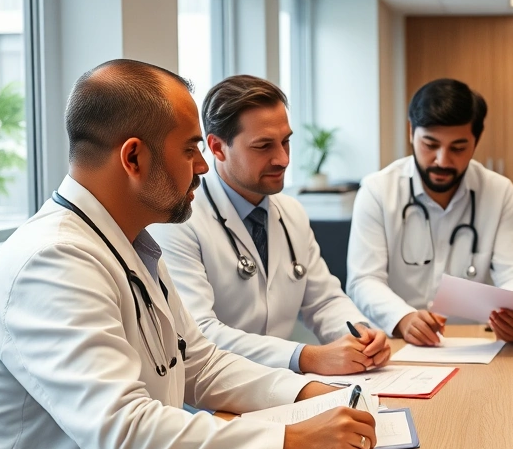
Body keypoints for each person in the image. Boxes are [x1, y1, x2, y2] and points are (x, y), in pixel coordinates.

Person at [0, 60, 377, 449]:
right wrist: (293, 440)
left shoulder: (127, 241)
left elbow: (199, 363)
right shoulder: (51, 260)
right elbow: (123, 433)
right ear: (133, 158)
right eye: (191, 148)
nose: (204, 166)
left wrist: (308, 392)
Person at [149, 75, 390, 376]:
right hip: (209, 405)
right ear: (217, 147)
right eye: (263, 146)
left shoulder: (290, 212)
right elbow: (200, 333)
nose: (283, 159)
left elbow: (324, 300)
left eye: (286, 141)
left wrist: (360, 335)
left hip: (277, 389)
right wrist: (306, 357)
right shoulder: (179, 220)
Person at [346, 78, 513, 345]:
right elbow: (364, 279)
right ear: (411, 131)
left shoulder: (498, 192)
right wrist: (403, 317)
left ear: (476, 140)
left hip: (472, 343)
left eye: (458, 148)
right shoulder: (377, 191)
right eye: (430, 145)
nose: (442, 160)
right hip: (397, 341)